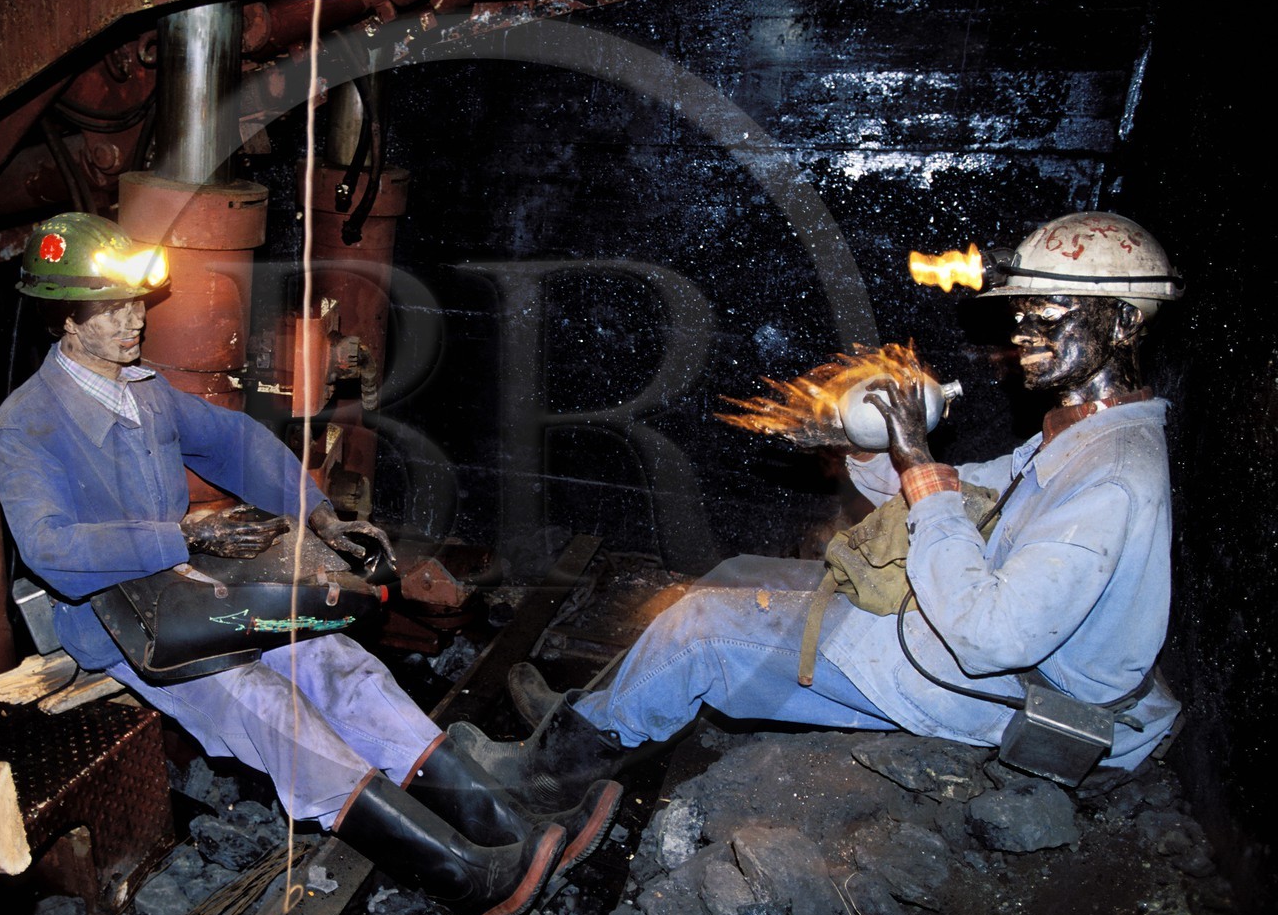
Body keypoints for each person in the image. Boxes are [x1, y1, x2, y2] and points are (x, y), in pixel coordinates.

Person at [0, 213, 620, 915]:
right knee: (268, 707)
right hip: (122, 621)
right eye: (112, 307)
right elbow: (49, 546)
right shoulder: (26, 424)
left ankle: (504, 818)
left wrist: (317, 512)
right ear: (64, 319)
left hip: (186, 591)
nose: (135, 319)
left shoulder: (143, 388)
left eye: (138, 301)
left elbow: (232, 442)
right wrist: (179, 531)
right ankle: (466, 876)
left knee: (337, 662)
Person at [455, 210, 1184, 809]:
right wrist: (862, 448)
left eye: (1046, 314)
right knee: (733, 573)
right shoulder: (1084, 435)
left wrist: (915, 457)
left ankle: (545, 778)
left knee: (703, 630)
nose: (1023, 335)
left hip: (994, 687)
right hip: (970, 629)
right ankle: (582, 721)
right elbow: (954, 496)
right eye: (1021, 315)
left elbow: (988, 637)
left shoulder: (1112, 478)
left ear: (1121, 322)